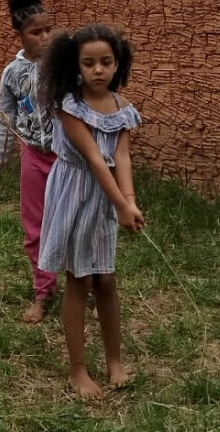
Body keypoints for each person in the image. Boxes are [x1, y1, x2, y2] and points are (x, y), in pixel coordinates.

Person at [37, 23, 144, 400]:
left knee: (107, 279)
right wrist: (121, 205)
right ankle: (78, 370)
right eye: (89, 63)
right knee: (79, 279)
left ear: (118, 63)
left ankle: (114, 361)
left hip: (105, 197)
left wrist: (129, 200)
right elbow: (96, 160)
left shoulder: (122, 109)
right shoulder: (70, 105)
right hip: (75, 192)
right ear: (75, 66)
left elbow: (121, 157)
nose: (98, 70)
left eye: (106, 62)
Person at [0, 0, 59, 323]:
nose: (45, 37)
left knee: (71, 221)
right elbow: (5, 120)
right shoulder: (12, 74)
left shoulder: (63, 65)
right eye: (36, 32)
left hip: (67, 157)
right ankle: (43, 290)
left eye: (48, 30)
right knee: (35, 226)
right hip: (33, 156)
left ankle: (82, 284)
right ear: (19, 34)